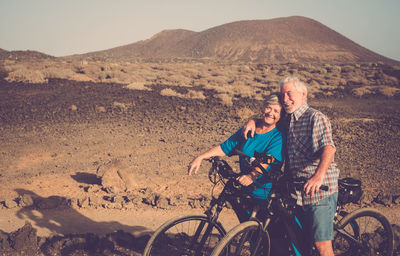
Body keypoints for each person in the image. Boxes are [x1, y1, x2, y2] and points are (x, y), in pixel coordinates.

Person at [243, 76, 339, 256]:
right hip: (296, 191)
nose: (285, 99)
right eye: (283, 95)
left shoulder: (315, 118)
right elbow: (269, 118)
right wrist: (253, 121)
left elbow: (329, 148)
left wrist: (318, 176)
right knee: (298, 244)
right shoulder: (288, 119)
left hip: (319, 190)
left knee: (322, 246)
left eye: (289, 94)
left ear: (303, 94)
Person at [188, 93, 285, 222]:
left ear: (281, 115)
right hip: (244, 188)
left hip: (264, 193)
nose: (270, 113)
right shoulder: (249, 128)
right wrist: (201, 157)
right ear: (263, 108)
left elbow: (267, 160)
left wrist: (251, 176)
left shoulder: (278, 136)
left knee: (262, 236)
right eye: (268, 108)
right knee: (247, 233)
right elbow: (226, 147)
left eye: (276, 111)